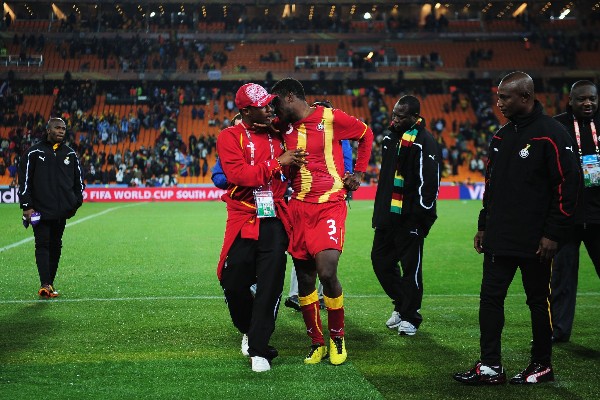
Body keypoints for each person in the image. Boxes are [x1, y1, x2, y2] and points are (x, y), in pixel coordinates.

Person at [453, 72, 581, 385]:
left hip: (537, 241)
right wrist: (484, 226)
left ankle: (542, 364)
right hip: (499, 238)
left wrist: (553, 233)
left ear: (525, 96)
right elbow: (491, 186)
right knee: (490, 299)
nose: (498, 103)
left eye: (504, 97)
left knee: (538, 302)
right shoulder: (501, 136)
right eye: (497, 97)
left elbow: (569, 185)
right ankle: (490, 366)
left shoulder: (552, 133)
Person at [270, 78, 374, 366]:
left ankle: (337, 337)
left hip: (330, 205)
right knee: (304, 278)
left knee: (326, 272)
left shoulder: (330, 117)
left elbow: (366, 134)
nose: (274, 110)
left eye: (276, 103)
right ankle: (317, 342)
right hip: (299, 208)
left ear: (290, 97)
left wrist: (360, 172)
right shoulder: (281, 127)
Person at [215, 83, 306, 373]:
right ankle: (250, 328)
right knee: (232, 281)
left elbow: (303, 119)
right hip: (243, 216)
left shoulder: (279, 131)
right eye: (263, 106)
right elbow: (240, 175)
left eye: (270, 104)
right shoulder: (229, 137)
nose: (270, 109)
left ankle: (259, 348)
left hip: (276, 216)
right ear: (245, 111)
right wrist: (278, 163)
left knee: (270, 283)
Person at [370, 95, 441, 336]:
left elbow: (429, 183)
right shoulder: (390, 138)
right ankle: (402, 304)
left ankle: (411, 316)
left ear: (414, 117)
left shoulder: (424, 141)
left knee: (411, 268)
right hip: (388, 217)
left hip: (410, 218)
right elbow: (385, 180)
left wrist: (421, 219)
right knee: (380, 262)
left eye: (400, 116)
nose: (395, 119)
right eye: (393, 115)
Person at [284, 101, 354, 312]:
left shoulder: (337, 134)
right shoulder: (302, 131)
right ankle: (300, 294)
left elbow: (347, 161)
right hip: (304, 197)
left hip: (329, 199)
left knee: (324, 255)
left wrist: (346, 181)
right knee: (303, 251)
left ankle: (322, 295)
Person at [551, 80, 600, 343]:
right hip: (567, 217)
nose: (587, 103)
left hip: (598, 217)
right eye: (581, 99)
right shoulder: (556, 126)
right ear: (570, 101)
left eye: (592, 98)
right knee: (562, 278)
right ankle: (559, 331)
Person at [18, 117, 85, 298]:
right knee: (42, 244)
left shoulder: (70, 154)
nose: (61, 131)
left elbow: (79, 183)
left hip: (61, 211)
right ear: (48, 130)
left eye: (63, 128)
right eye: (57, 128)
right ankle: (45, 284)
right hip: (39, 210)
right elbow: (24, 182)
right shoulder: (33, 153)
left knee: (56, 246)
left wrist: (74, 203)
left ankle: (49, 283)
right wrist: (27, 206)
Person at [211, 113, 242, 189]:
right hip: (238, 198)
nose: (241, 131)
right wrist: (233, 179)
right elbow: (217, 177)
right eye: (236, 128)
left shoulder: (262, 144)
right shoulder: (228, 150)